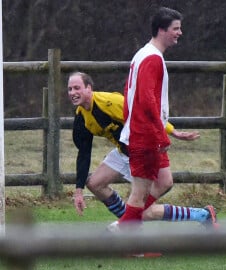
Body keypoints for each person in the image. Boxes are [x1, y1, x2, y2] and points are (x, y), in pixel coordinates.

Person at [68, 71, 215, 226]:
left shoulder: (109, 102)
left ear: (89, 88)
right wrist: (78, 191)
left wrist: (172, 131)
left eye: (77, 88)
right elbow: (84, 153)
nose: (73, 93)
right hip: (123, 152)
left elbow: (145, 113)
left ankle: (202, 215)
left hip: (144, 152)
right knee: (95, 184)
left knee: (144, 212)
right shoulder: (81, 118)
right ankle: (129, 222)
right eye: (70, 89)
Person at [119, 7, 218, 228]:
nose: (179, 33)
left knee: (164, 182)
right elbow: (146, 100)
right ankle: (119, 237)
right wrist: (159, 135)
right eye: (176, 28)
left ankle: (129, 224)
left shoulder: (143, 54)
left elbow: (129, 95)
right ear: (162, 30)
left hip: (144, 132)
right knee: (138, 197)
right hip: (145, 136)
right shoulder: (152, 59)